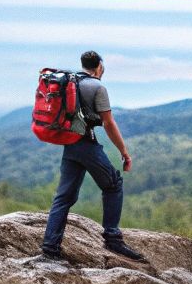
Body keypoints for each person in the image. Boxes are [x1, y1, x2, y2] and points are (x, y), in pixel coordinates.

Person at [39, 50, 146, 263]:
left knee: (64, 197)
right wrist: (124, 152)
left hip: (70, 144)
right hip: (86, 144)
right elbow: (108, 123)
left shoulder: (71, 81)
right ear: (99, 67)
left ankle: (50, 248)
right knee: (113, 184)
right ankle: (113, 238)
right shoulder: (97, 87)